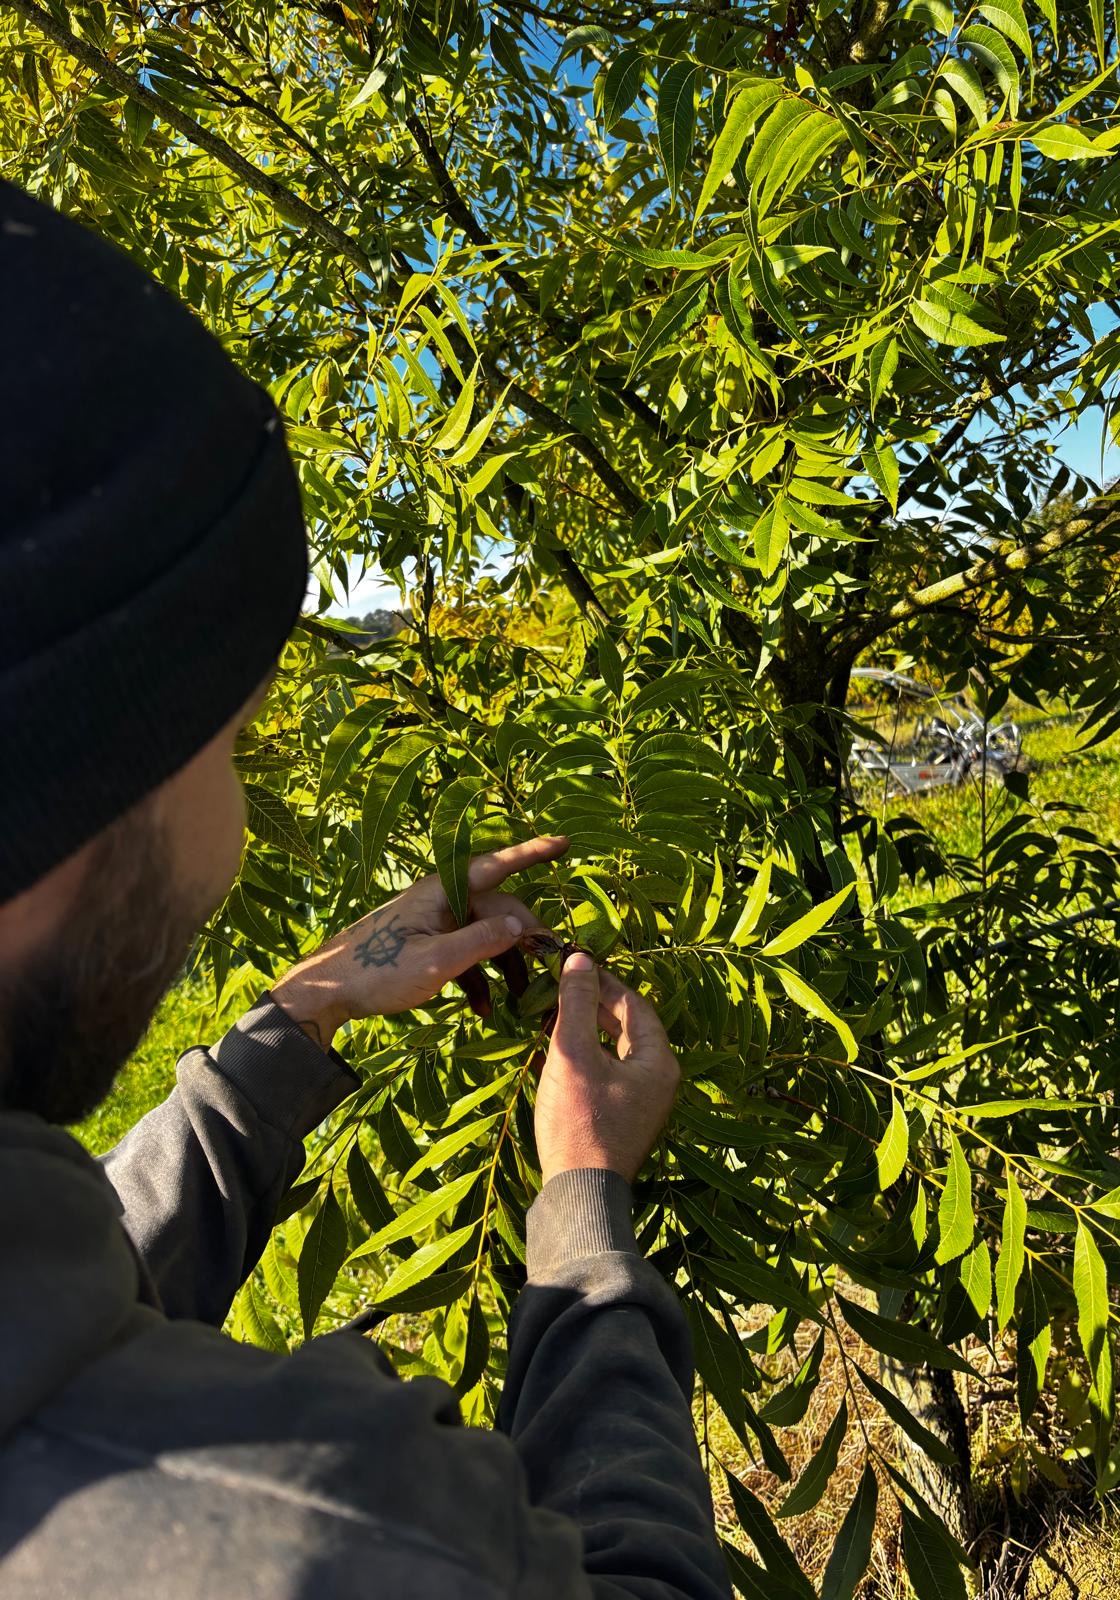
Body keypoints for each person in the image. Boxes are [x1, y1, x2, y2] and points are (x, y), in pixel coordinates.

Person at [0, 181, 732, 1598]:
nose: (246, 801)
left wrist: (301, 1020)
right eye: (228, 738)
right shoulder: (317, 1539)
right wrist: (582, 1203)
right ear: (66, 800)